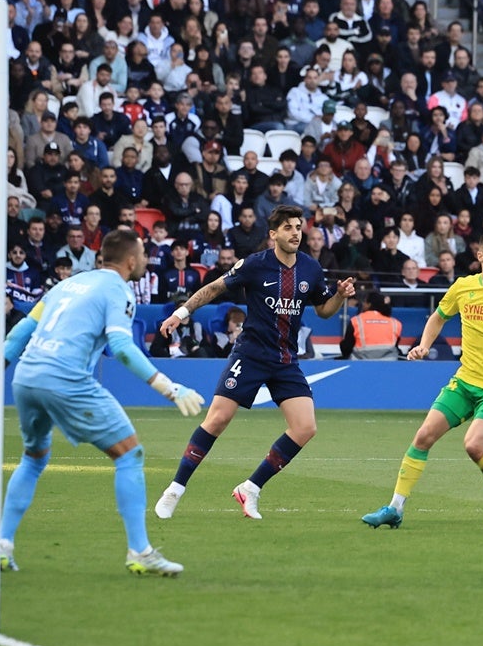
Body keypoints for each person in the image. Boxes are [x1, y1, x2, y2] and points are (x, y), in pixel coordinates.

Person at [0, 230, 205, 575]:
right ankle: (140, 551)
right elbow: (121, 347)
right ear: (131, 260)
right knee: (130, 453)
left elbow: (19, 334)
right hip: (65, 379)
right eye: (143, 256)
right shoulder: (119, 290)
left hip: (26, 377)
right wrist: (170, 388)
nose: (146, 261)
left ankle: (1, 545)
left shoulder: (66, 285)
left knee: (33, 459)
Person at [153, 206, 356, 521]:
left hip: (285, 359)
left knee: (305, 428)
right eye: (287, 227)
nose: (295, 233)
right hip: (250, 355)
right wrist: (181, 313)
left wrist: (341, 295)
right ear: (273, 234)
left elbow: (325, 310)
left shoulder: (311, 269)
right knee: (218, 419)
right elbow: (214, 288)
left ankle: (250, 488)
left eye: (298, 227)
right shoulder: (254, 265)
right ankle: (175, 489)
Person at [362, 232, 483, 530]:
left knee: (474, 446)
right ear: (480, 255)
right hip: (465, 382)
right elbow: (438, 317)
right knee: (423, 437)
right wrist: (424, 345)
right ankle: (395, 508)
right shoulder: (463, 288)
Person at [340, 291, 402, 360]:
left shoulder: (356, 321)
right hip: (389, 363)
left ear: (369, 304)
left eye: (364, 302)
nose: (363, 304)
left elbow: (346, 347)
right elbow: (395, 347)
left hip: (361, 364)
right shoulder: (395, 323)